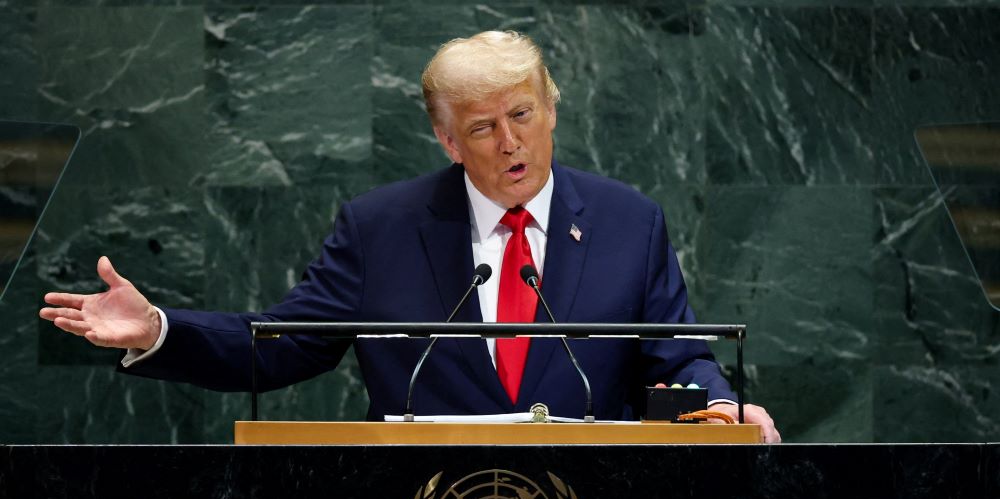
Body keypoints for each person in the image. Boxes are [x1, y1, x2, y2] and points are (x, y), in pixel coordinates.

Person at [39, 31, 780, 442]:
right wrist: (160, 329)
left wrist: (719, 408)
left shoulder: (630, 221)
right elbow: (285, 341)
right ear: (448, 140)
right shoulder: (381, 228)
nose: (510, 142)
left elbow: (676, 355)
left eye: (523, 115)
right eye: (483, 127)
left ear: (553, 109)